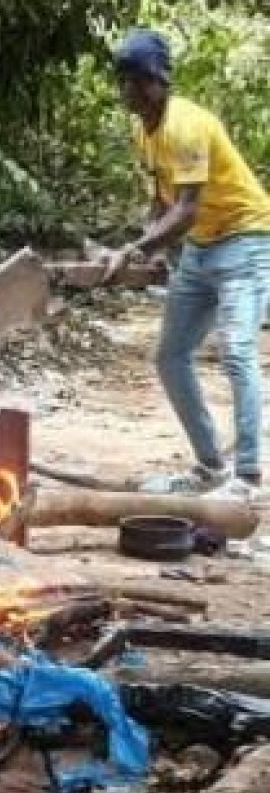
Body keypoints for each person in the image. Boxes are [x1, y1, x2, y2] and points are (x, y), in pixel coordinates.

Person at [103, 28, 270, 498]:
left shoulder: (186, 124)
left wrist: (135, 251)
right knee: (171, 357)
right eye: (123, 81)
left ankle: (248, 477)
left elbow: (187, 208)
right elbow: (162, 203)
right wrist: (144, 249)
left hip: (248, 239)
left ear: (159, 80)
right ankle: (210, 467)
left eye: (135, 80)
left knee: (237, 353)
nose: (126, 91)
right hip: (200, 248)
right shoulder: (143, 132)